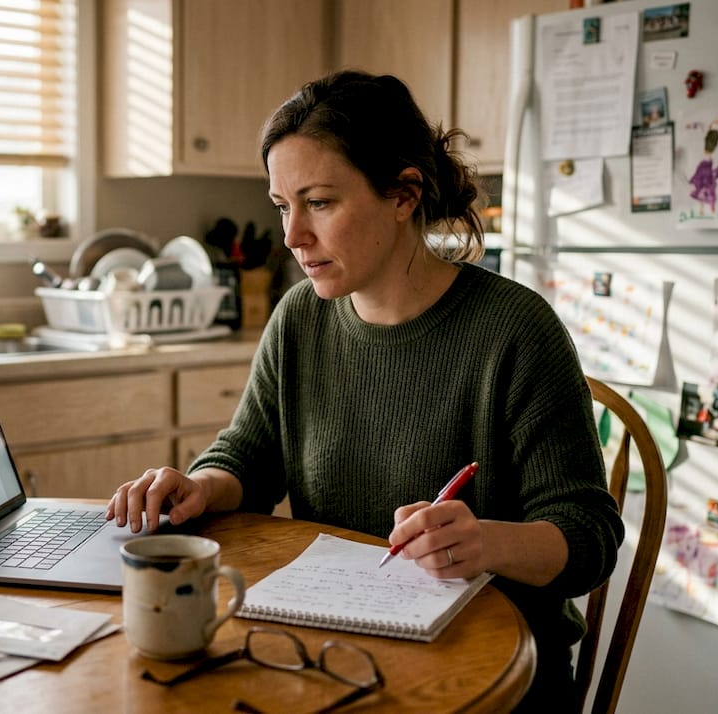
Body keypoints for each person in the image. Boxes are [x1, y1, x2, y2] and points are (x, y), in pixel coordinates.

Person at [106, 70, 624, 710]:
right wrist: (201, 485)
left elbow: (589, 535)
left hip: (493, 673)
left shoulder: (516, 331)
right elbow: (250, 456)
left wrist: (485, 541)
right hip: (340, 648)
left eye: (319, 203)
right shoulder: (300, 318)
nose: (293, 236)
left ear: (404, 193)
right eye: (282, 206)